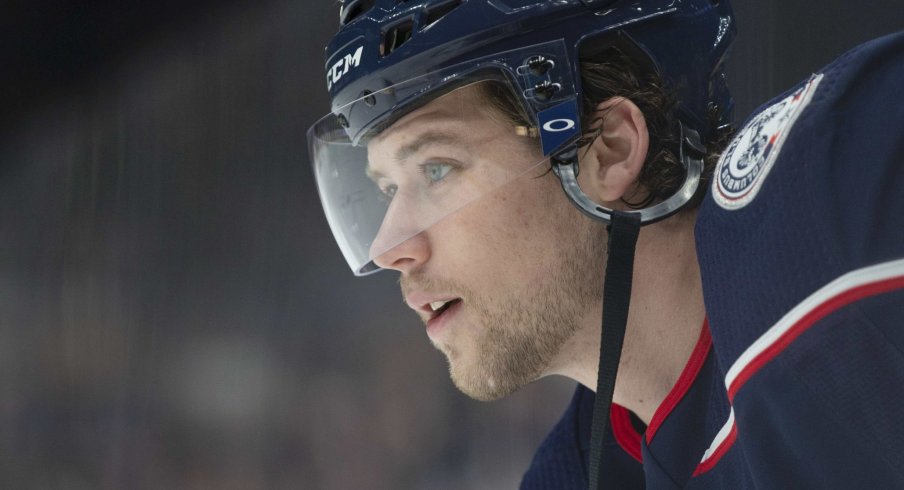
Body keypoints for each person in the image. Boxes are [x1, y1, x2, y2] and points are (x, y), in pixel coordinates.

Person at [307, 0, 904, 487]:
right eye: (387, 189)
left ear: (609, 149)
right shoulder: (584, 469)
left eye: (436, 169)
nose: (390, 246)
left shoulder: (828, 199)